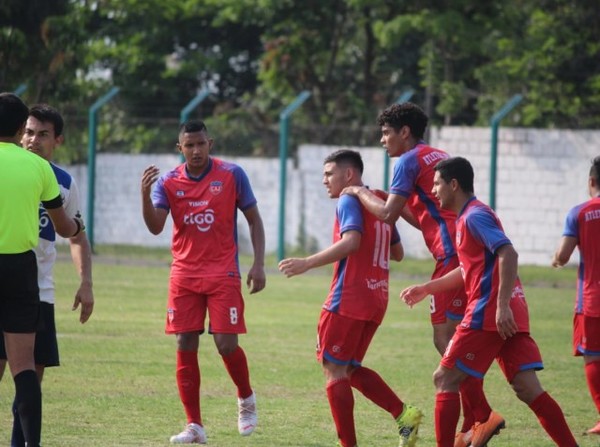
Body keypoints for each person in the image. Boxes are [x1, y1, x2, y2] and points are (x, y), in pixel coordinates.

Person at [400, 156, 579, 447]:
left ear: (453, 184)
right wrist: (428, 288)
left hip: (488, 312)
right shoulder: (469, 216)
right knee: (527, 387)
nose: (433, 191)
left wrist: (501, 305)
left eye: (436, 184)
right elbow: (469, 268)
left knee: (444, 378)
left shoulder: (474, 216)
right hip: (509, 312)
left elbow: (509, 254)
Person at [341, 102, 489, 447]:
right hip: (464, 247)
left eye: (387, 133)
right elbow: (420, 213)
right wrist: (383, 198)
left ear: (404, 132)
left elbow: (389, 215)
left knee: (445, 339)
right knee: (457, 337)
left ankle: (480, 415)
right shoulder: (436, 154)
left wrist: (360, 191)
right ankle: (476, 416)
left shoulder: (407, 161)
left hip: (452, 253)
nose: (382, 140)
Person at [278, 149, 423, 447]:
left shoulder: (349, 198)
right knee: (350, 369)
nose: (324, 180)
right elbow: (397, 253)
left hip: (349, 297)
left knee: (333, 368)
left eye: (329, 174)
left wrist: (306, 263)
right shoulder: (381, 198)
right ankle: (403, 414)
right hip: (376, 298)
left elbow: (351, 242)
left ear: (349, 175)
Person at [141, 120, 266, 444]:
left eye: (200, 144)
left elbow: (254, 220)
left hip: (223, 272)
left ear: (210, 143)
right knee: (185, 343)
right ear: (179, 148)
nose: (195, 151)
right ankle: (194, 426)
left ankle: (246, 399)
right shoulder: (168, 182)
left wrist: (258, 264)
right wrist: (144, 195)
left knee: (226, 344)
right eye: (189, 145)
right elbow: (156, 227)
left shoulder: (232, 175)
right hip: (183, 274)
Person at [0, 104, 95, 446]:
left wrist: (86, 283)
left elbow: (76, 237)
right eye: (28, 132)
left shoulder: (62, 181)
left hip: (39, 292)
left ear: (58, 140)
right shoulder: (22, 169)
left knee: (29, 379)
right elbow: (70, 227)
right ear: (17, 132)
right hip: (19, 279)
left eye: (42, 134)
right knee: (20, 371)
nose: (33, 140)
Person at [552, 155, 600, 435]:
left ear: (591, 181)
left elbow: (563, 254)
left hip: (593, 300)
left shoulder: (580, 212)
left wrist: (556, 259)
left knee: (593, 357)